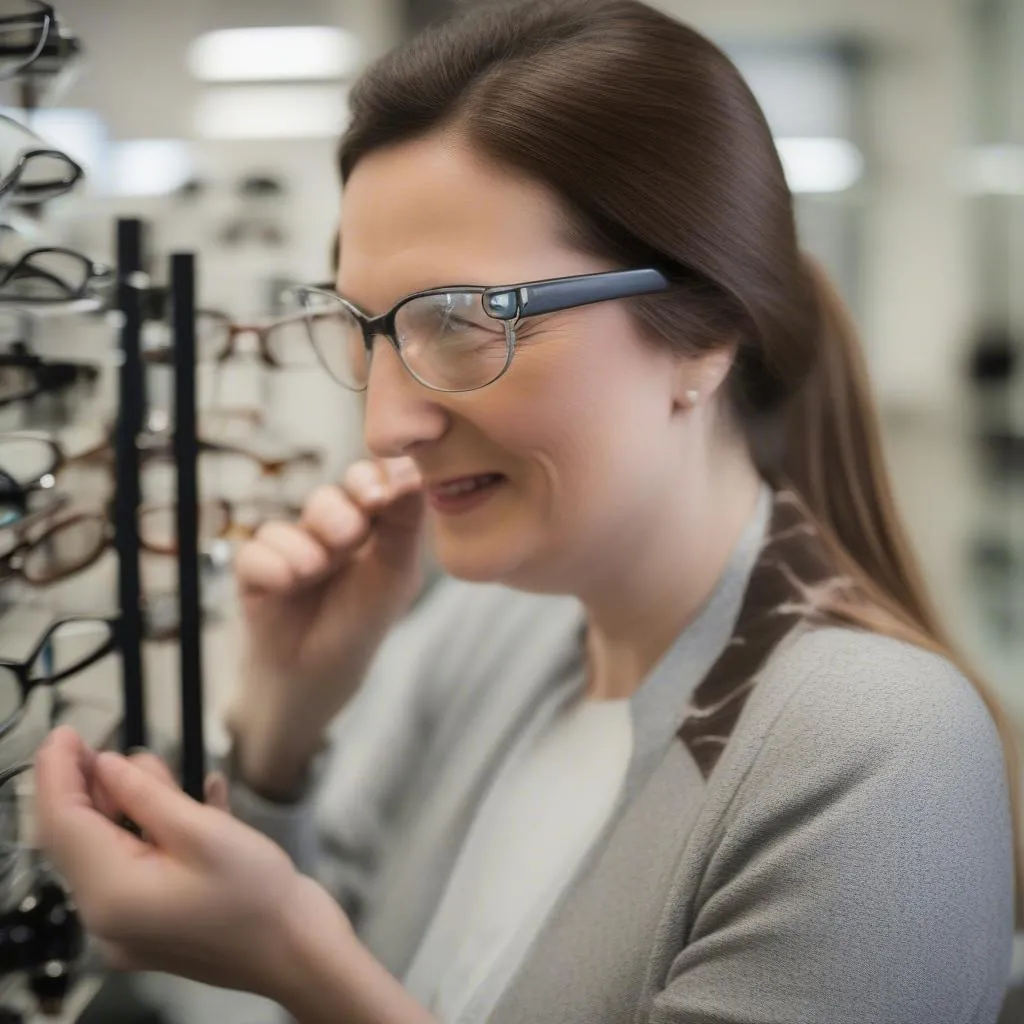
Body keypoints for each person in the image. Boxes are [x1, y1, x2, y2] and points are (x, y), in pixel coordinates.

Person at [34, 2, 1021, 1022]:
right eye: (364, 328)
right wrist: (284, 733)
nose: (385, 425)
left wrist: (297, 959)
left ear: (706, 332)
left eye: (461, 320)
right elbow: (252, 992)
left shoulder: (873, 743)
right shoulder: (494, 629)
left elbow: (308, 963)